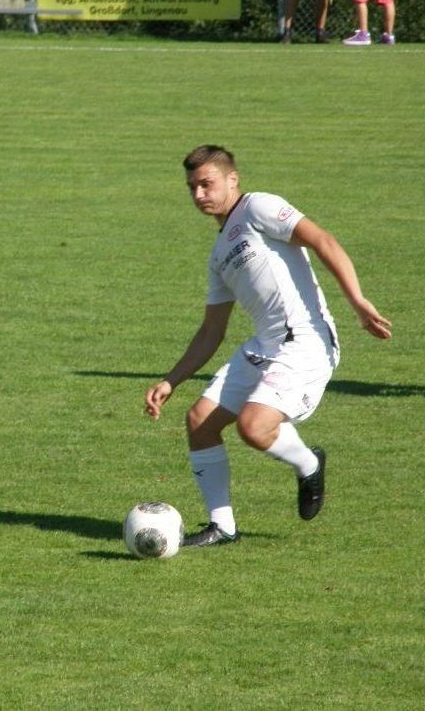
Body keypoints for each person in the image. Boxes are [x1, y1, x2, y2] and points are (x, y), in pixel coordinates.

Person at [143, 145, 392, 548]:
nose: (199, 194)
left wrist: (357, 301)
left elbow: (322, 240)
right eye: (192, 187)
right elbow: (211, 331)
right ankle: (222, 528)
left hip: (306, 343)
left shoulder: (258, 208)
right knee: (199, 422)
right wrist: (171, 380)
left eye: (206, 184)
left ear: (232, 179)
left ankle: (309, 463)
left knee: (254, 427)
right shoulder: (219, 254)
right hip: (265, 346)